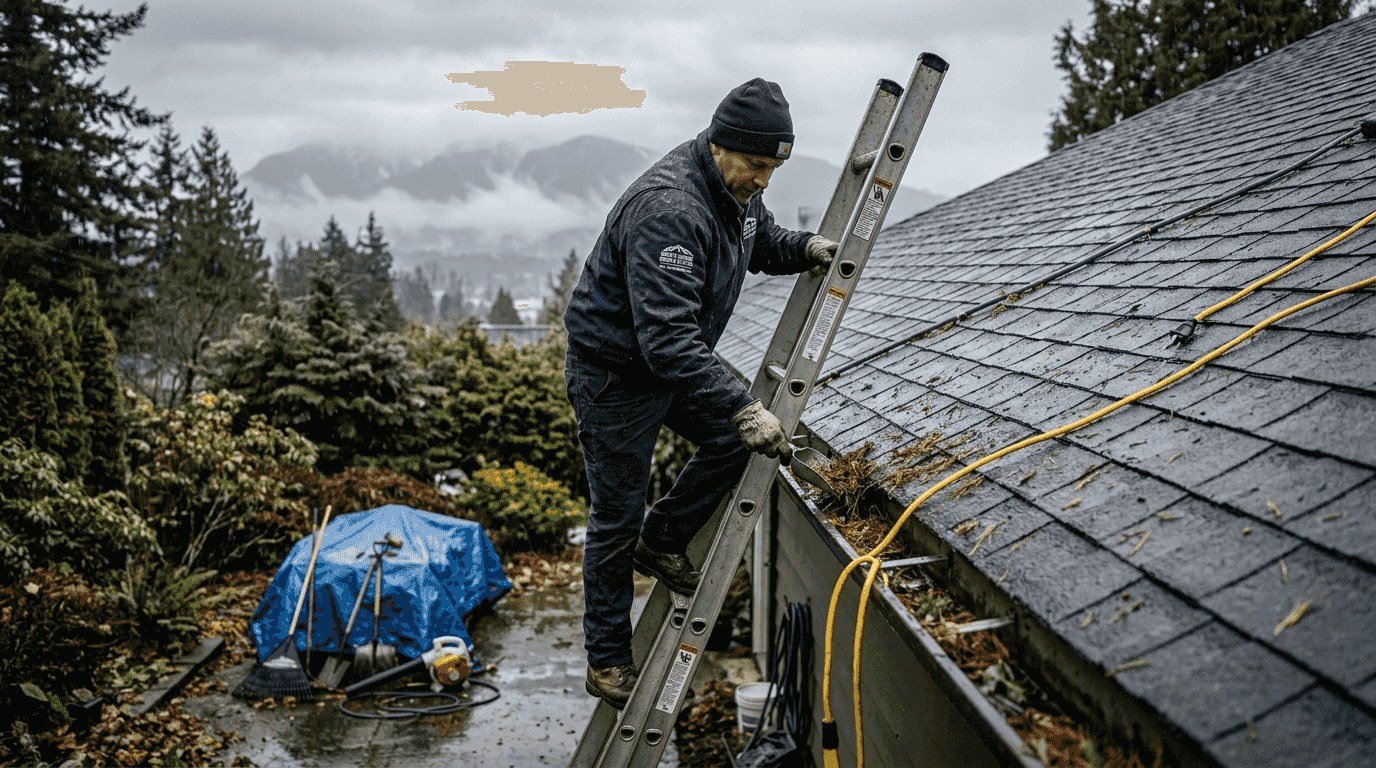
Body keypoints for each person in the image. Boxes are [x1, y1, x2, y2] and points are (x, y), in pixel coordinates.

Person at [562, 77, 838, 709]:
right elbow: (667, 342)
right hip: (616, 377)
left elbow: (760, 242)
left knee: (733, 442)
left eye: (774, 168)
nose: (764, 180)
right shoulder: (672, 209)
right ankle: (606, 661)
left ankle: (662, 539)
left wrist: (807, 249)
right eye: (757, 165)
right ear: (721, 146)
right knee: (614, 517)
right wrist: (742, 407)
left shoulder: (732, 191)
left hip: (665, 363)